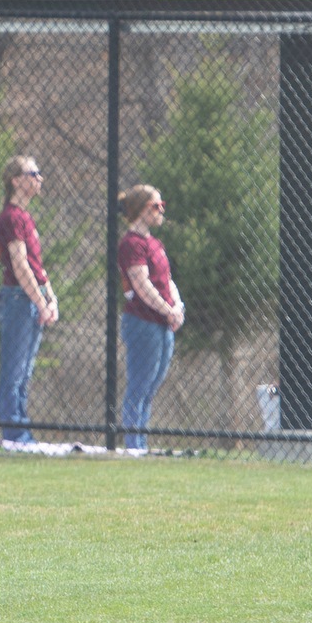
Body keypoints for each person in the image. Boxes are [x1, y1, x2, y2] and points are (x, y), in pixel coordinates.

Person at [115, 184, 186, 453]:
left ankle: (141, 440)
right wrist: (167, 310)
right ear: (142, 210)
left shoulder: (154, 243)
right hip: (143, 323)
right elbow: (141, 284)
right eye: (156, 206)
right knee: (140, 384)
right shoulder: (131, 244)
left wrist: (177, 306)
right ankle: (134, 444)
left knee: (153, 384)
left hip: (163, 322)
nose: (161, 211)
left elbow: (166, 280)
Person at [0, 155, 56, 445]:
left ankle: (22, 431)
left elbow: (37, 265)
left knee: (25, 371)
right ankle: (14, 433)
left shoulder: (26, 217)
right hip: (19, 299)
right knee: (14, 371)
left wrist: (49, 297)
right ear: (16, 180)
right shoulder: (11, 218)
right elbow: (20, 266)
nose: (39, 179)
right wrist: (39, 301)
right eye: (34, 173)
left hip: (31, 297)